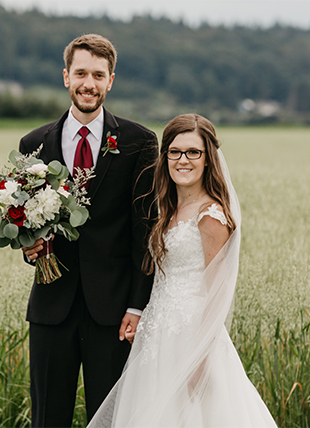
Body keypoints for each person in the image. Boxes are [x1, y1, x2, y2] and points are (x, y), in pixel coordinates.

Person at [87, 114, 277, 427]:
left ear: (208, 159)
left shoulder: (211, 215)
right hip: (157, 335)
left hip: (191, 339)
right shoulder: (170, 210)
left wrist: (199, 360)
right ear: (165, 157)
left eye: (193, 152)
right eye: (174, 151)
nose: (182, 160)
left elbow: (217, 292)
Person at [19, 34, 158, 427]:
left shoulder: (139, 142)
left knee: (112, 418)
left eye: (98, 75)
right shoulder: (34, 144)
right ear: (66, 77)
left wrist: (136, 305)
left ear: (111, 80)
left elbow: (145, 231)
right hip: (51, 308)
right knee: (48, 417)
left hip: (113, 313)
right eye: (81, 73)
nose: (89, 83)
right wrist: (29, 245)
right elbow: (24, 217)